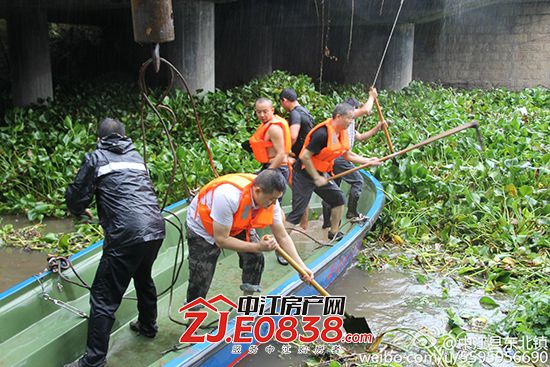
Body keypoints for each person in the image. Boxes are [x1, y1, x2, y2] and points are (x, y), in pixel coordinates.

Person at [64, 118, 166, 367]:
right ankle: (148, 325)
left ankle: (94, 361)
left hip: (125, 235)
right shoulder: (136, 157)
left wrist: (78, 209)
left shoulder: (96, 158)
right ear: (124, 137)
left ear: (99, 139)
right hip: (155, 227)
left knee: (103, 297)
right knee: (143, 276)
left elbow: (78, 194)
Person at [185, 169, 313, 304]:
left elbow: (282, 237)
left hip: (236, 223)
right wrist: (258, 246)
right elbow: (221, 240)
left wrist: (302, 267)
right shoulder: (228, 197)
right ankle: (192, 319)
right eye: (271, 199)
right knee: (200, 276)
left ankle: (247, 304)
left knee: (256, 258)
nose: (274, 204)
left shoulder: (270, 200)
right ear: (257, 191)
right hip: (203, 228)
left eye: (276, 199)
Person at [285, 103, 381, 241]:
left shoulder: (340, 133)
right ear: (338, 116)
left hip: (320, 173)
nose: (351, 122)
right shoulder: (322, 134)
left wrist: (368, 161)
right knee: (297, 213)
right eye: (349, 118)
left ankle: (333, 232)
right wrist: (316, 178)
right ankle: (279, 247)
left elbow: (347, 155)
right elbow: (304, 156)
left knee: (338, 199)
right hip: (303, 175)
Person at [321, 88, 386, 228]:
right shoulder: (346, 118)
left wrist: (377, 127)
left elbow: (361, 137)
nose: (352, 118)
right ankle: (351, 212)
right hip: (338, 159)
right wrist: (372, 97)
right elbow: (366, 110)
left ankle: (327, 223)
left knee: (333, 189)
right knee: (358, 181)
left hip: (336, 159)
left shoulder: (348, 124)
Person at [279, 88, 315, 232]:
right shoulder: (305, 111)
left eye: (282, 103)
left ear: (284, 101)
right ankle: (304, 225)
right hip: (308, 158)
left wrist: (284, 153)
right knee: (301, 192)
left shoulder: (294, 114)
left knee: (299, 193)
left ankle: (301, 227)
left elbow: (293, 136)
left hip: (300, 160)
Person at [249, 98, 291, 186]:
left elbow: (281, 153)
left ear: (272, 110)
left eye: (265, 111)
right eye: (258, 112)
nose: (262, 115)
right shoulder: (266, 125)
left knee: (272, 199)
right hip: (270, 167)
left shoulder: (274, 128)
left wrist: (267, 173)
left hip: (278, 169)